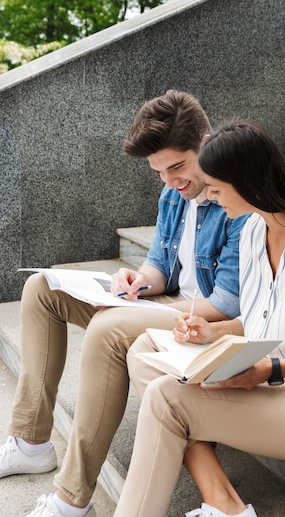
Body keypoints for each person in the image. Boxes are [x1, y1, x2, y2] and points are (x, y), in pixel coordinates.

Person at [115, 120, 285, 517]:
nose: (208, 196)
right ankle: (225, 505)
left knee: (165, 398)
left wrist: (271, 369)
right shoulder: (252, 233)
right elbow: (264, 318)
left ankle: (222, 506)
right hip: (277, 388)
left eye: (216, 188)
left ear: (245, 181)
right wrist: (212, 330)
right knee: (144, 348)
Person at [0, 91, 248, 517]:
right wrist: (139, 282)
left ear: (205, 144)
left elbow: (226, 302)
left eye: (177, 167)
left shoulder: (236, 199)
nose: (170, 181)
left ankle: (70, 501)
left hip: (206, 325)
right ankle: (31, 441)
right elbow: (160, 264)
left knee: (108, 328)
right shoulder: (174, 194)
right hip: (169, 307)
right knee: (43, 288)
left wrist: (140, 312)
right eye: (159, 172)